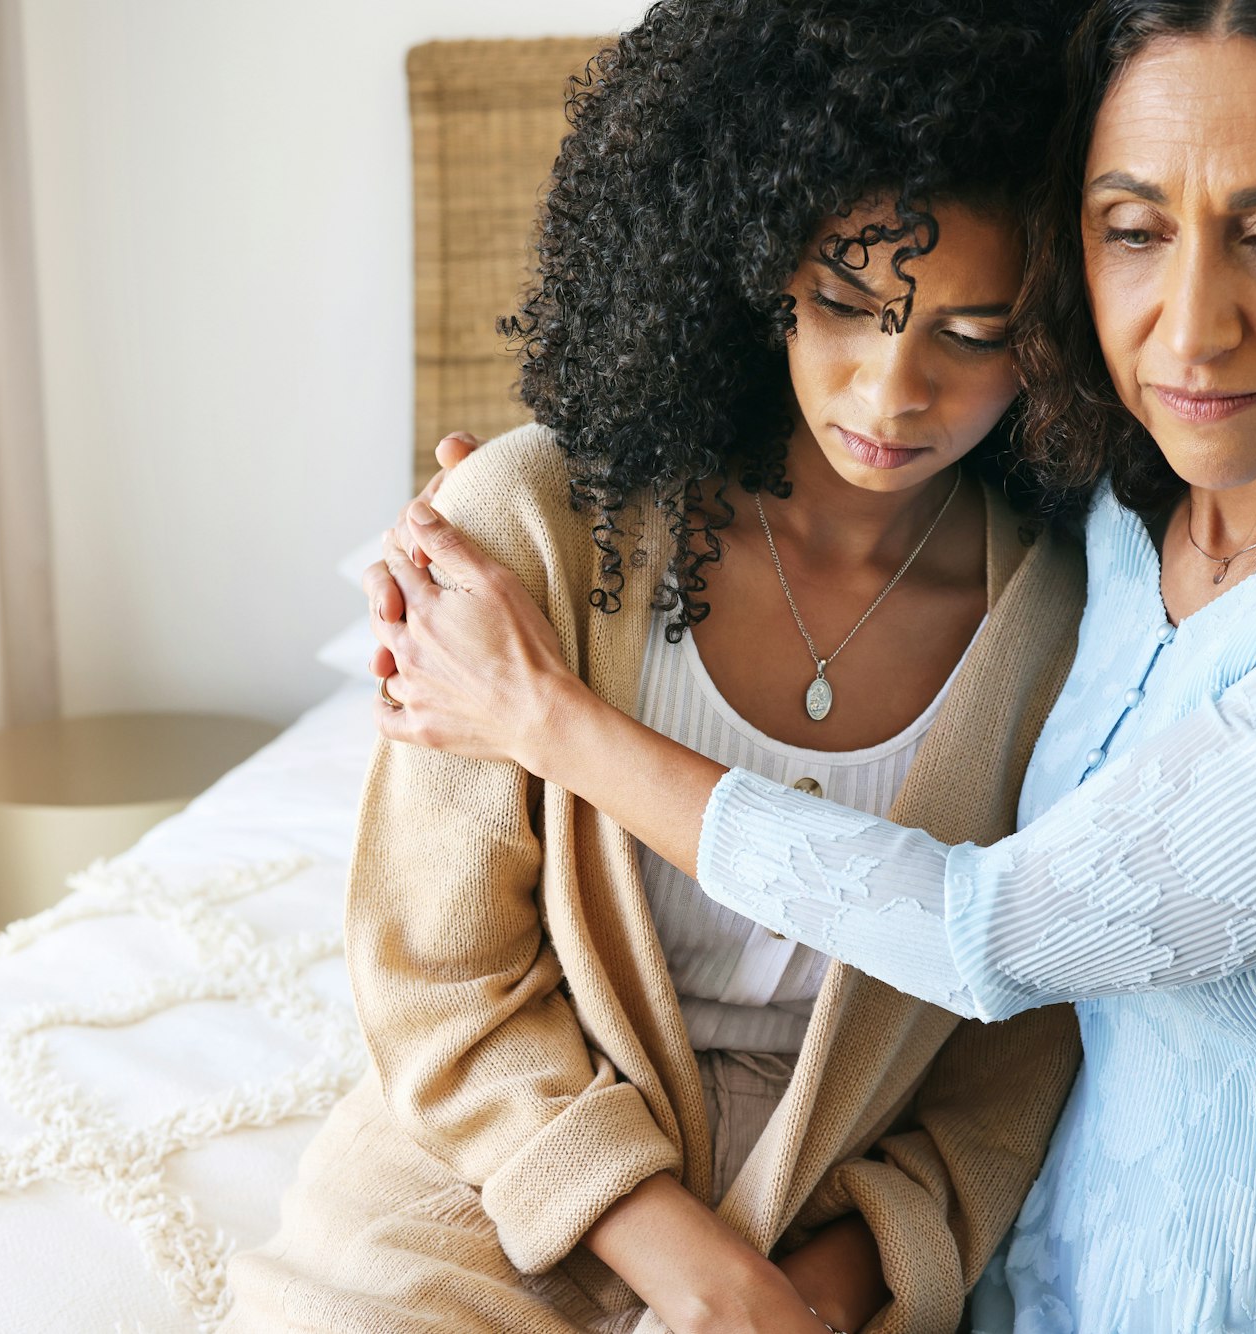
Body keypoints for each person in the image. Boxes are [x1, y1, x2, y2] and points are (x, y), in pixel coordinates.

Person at [362, 0, 1256, 1328]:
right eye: (1133, 230)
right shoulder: (1128, 504)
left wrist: (544, 717)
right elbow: (438, 969)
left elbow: (1001, 951)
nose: (1192, 331)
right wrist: (508, 513)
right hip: (1012, 1280)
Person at [221, 3, 1087, 1333]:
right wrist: (699, 1270)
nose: (892, 387)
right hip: (510, 1161)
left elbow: (1016, 1055)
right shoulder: (541, 525)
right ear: (755, 266)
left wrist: (824, 1286)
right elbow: (437, 975)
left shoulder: (1066, 623)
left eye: (971, 334)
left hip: (836, 1209)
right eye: (845, 303)